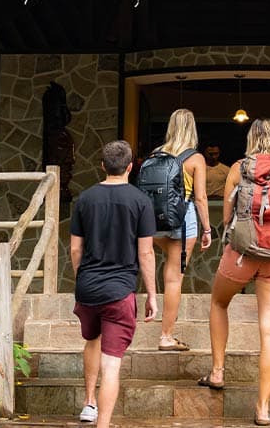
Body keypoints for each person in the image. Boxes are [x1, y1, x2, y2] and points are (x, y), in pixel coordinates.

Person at [201, 118, 270, 427]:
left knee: (219, 302)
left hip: (241, 255)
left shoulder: (239, 168)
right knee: (269, 327)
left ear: (250, 139)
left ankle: (217, 371)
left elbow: (229, 217)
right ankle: (262, 408)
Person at [70, 141, 159, 427]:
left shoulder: (84, 199)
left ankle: (89, 403)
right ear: (131, 167)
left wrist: (80, 278)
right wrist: (152, 295)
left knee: (91, 340)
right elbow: (145, 252)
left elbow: (74, 250)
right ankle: (103, 424)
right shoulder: (141, 201)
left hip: (88, 288)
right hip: (120, 291)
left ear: (102, 165)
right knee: (112, 364)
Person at [150, 108, 212, 351]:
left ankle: (161, 322)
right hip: (182, 220)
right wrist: (207, 229)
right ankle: (166, 336)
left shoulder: (156, 154)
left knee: (168, 266)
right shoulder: (195, 159)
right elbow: (201, 198)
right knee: (174, 277)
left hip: (155, 221)